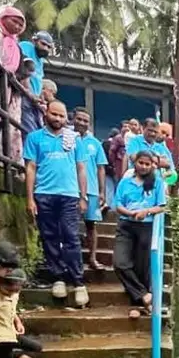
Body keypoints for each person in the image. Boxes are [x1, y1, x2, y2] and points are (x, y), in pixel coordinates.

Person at [23, 99, 89, 306]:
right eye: (55, 114)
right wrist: (30, 198)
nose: (58, 119)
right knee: (49, 236)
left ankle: (78, 282)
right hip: (44, 194)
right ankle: (58, 278)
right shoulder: (34, 138)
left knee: (71, 237)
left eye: (62, 116)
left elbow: (81, 168)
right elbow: (31, 167)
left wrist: (83, 196)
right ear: (46, 114)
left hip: (69, 195)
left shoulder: (73, 139)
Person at [112, 149, 167, 317]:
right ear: (135, 163)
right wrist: (130, 214)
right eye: (141, 163)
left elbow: (162, 206)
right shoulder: (125, 182)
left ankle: (139, 303)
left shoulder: (156, 182)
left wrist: (147, 211)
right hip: (126, 225)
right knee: (119, 262)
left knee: (142, 266)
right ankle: (144, 295)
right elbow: (118, 204)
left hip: (146, 226)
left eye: (147, 164)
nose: (143, 166)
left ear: (152, 166)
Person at [73, 108, 108, 271]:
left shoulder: (95, 143)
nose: (82, 123)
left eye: (85, 121)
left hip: (92, 190)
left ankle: (92, 258)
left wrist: (102, 192)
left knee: (91, 225)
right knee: (68, 224)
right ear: (73, 119)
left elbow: (101, 168)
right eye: (79, 119)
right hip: (70, 189)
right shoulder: (67, 139)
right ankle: (71, 260)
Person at [0, 7, 25, 158]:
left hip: (8, 89)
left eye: (20, 25)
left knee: (0, 121)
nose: (17, 27)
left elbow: (21, 72)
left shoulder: (17, 47)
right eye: (14, 21)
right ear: (3, 18)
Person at [18, 30, 52, 100]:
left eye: (49, 47)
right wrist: (30, 94)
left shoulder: (40, 61)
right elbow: (24, 71)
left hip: (33, 99)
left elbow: (38, 81)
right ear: (34, 41)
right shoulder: (26, 46)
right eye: (43, 44)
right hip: (24, 95)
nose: (46, 48)